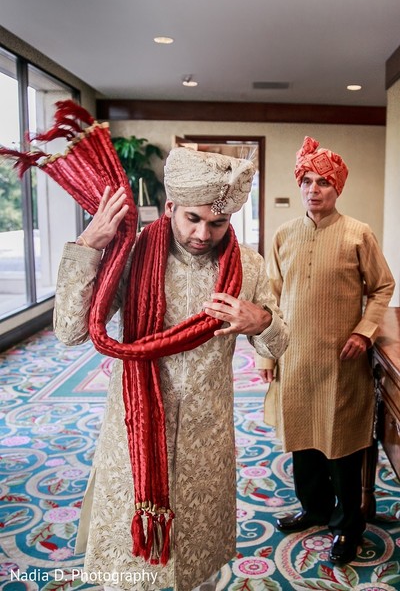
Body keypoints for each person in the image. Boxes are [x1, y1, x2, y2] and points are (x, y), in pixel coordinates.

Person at [53, 147, 289, 591]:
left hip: (206, 431)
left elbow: (279, 341)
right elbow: (70, 331)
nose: (204, 233)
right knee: (130, 564)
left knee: (195, 557)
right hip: (135, 429)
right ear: (170, 208)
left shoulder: (250, 266)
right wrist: (88, 248)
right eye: (193, 219)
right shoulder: (134, 253)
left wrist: (261, 321)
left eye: (217, 223)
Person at [257, 136, 395, 566]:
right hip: (294, 358)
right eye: (307, 182)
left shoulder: (358, 234)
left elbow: (382, 287)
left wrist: (364, 331)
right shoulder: (283, 235)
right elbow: (271, 297)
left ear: (338, 190)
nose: (314, 190)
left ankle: (347, 526)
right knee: (303, 441)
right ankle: (314, 509)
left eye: (324, 183)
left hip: (341, 361)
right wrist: (267, 354)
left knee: (341, 447)